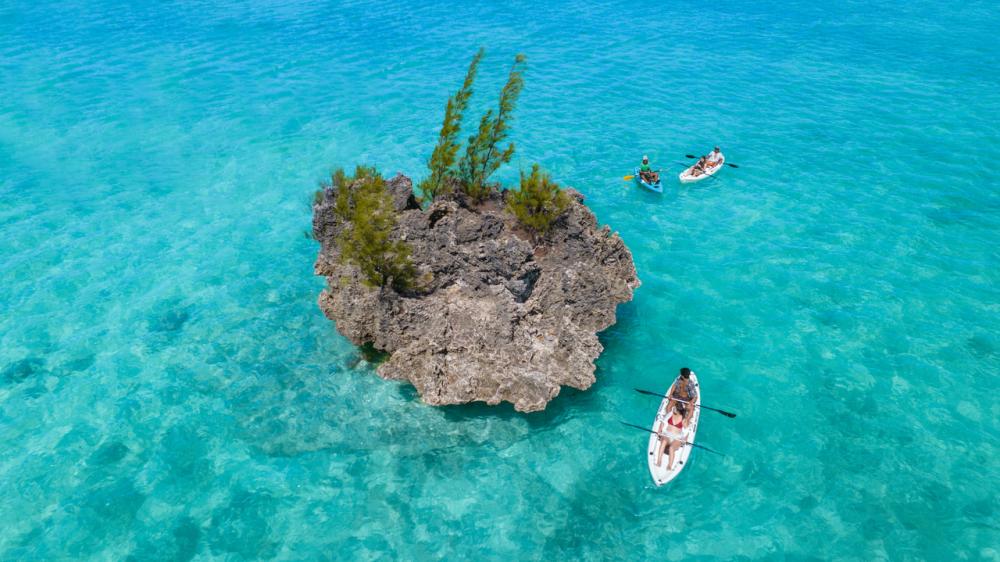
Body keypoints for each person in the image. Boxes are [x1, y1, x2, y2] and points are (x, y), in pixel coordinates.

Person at [654, 404, 688, 470]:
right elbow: (663, 422)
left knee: (671, 448)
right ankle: (659, 461)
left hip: (677, 438)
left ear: (679, 411)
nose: (673, 408)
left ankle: (669, 465)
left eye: (675, 408)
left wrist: (685, 439)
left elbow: (687, 431)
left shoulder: (684, 420)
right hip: (667, 434)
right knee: (663, 442)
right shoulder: (670, 414)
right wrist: (659, 431)